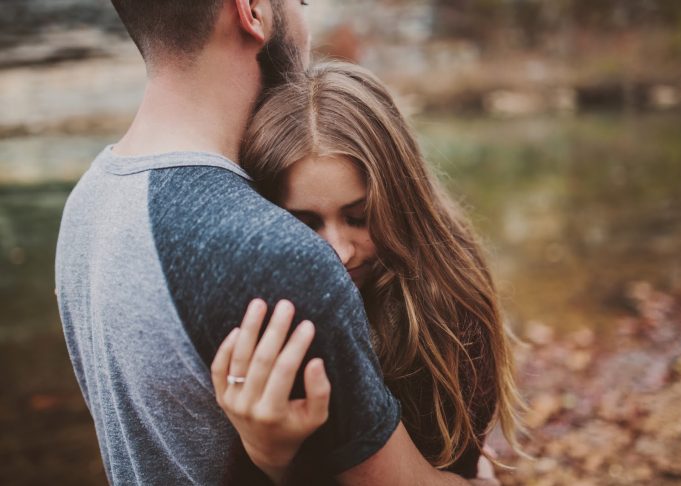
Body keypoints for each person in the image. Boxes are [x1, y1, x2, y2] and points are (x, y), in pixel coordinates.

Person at [54, 1, 501, 484]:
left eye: (358, 216)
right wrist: (274, 459)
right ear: (251, 9)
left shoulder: (89, 201)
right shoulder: (276, 259)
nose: (338, 251)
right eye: (302, 1)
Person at [211, 61, 523, 482]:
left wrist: (276, 464)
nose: (338, 252)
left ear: (400, 201)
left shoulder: (448, 297)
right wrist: (268, 453)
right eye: (303, 225)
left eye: (360, 217)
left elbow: (458, 464)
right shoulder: (260, 315)